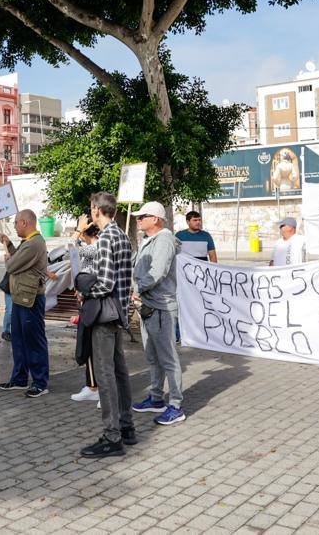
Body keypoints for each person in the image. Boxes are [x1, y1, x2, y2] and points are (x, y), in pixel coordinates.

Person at [78, 192, 137, 458]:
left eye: (91, 209)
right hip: (119, 313)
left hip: (105, 314)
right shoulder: (121, 236)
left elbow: (104, 282)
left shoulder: (106, 239)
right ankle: (126, 426)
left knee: (105, 374)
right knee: (120, 371)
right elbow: (117, 276)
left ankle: (112, 436)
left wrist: (86, 293)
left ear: (96, 210)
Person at [131, 201, 186, 426]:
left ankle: (175, 404)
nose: (138, 220)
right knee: (153, 356)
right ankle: (156, 398)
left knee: (167, 358)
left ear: (155, 219)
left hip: (161, 307)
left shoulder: (163, 239)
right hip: (148, 306)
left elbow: (158, 272)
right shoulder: (149, 240)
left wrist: (136, 288)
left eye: (142, 216)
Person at [0, 209, 50, 398]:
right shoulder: (28, 243)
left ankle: (40, 382)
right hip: (21, 297)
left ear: (25, 223)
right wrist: (9, 244)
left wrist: (8, 258)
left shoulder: (34, 244)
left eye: (16, 223)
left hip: (31, 299)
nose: (14, 226)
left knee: (34, 341)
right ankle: (20, 378)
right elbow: (19, 259)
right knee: (19, 340)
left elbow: (12, 265)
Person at [70, 220, 102, 403]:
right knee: (88, 347)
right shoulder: (93, 247)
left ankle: (98, 389)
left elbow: (71, 250)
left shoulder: (96, 247)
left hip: (94, 303)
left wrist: (77, 230)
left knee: (94, 346)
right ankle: (92, 385)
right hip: (88, 301)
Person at [174, 210, 216, 345]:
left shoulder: (206, 236)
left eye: (199, 220)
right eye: (195, 220)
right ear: (188, 222)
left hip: (201, 278)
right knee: (181, 305)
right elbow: (174, 254)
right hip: (183, 279)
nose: (198, 222)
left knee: (200, 305)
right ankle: (178, 335)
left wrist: (214, 274)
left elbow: (212, 256)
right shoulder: (179, 236)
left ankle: (200, 334)